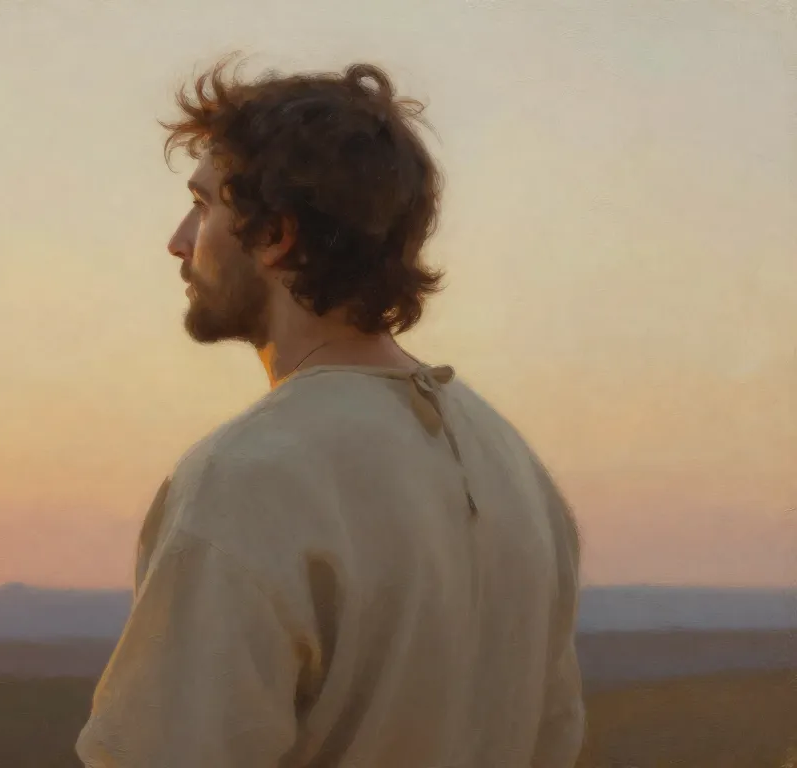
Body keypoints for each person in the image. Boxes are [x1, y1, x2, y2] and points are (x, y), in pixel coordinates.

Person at [75, 55, 585, 768]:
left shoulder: (249, 477)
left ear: (274, 235)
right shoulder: (514, 467)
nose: (180, 240)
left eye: (204, 204)